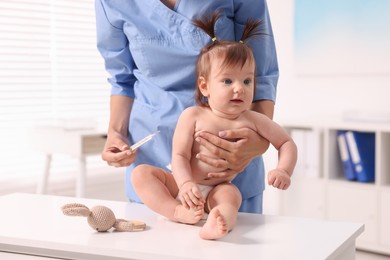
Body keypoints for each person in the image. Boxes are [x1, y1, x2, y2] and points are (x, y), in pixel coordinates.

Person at [95, 0, 279, 214]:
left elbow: (262, 75)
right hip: (155, 163)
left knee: (230, 236)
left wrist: (257, 143)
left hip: (228, 167)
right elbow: (122, 79)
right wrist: (116, 135)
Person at [131, 13, 297, 240]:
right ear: (204, 85)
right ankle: (176, 211)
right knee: (141, 174)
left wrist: (283, 170)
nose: (239, 88)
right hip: (180, 185)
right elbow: (179, 155)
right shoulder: (193, 116)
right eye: (228, 81)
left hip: (217, 189)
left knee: (231, 196)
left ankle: (218, 221)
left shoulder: (253, 120)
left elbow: (286, 142)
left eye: (247, 81)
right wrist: (186, 183)